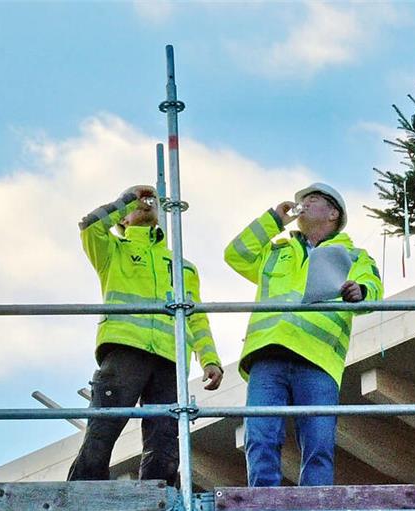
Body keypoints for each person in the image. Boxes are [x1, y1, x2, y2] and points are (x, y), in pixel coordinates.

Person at [224, 182, 382, 486]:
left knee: (318, 441)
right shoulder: (276, 251)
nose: (303, 204)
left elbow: (373, 292)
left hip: (317, 358)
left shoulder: (354, 255)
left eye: (311, 200)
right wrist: (272, 220)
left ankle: (315, 508)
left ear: (333, 212)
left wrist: (359, 291)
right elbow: (236, 254)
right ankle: (263, 504)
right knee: (260, 434)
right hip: (268, 353)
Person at [68, 184, 223, 483]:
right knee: (103, 428)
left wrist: (209, 359)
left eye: (150, 200)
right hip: (126, 349)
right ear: (122, 219)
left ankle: (158, 495)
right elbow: (89, 226)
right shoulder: (113, 250)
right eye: (138, 202)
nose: (145, 203)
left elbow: (196, 317)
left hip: (170, 357)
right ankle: (82, 492)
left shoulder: (181, 266)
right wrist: (126, 200)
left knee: (164, 438)